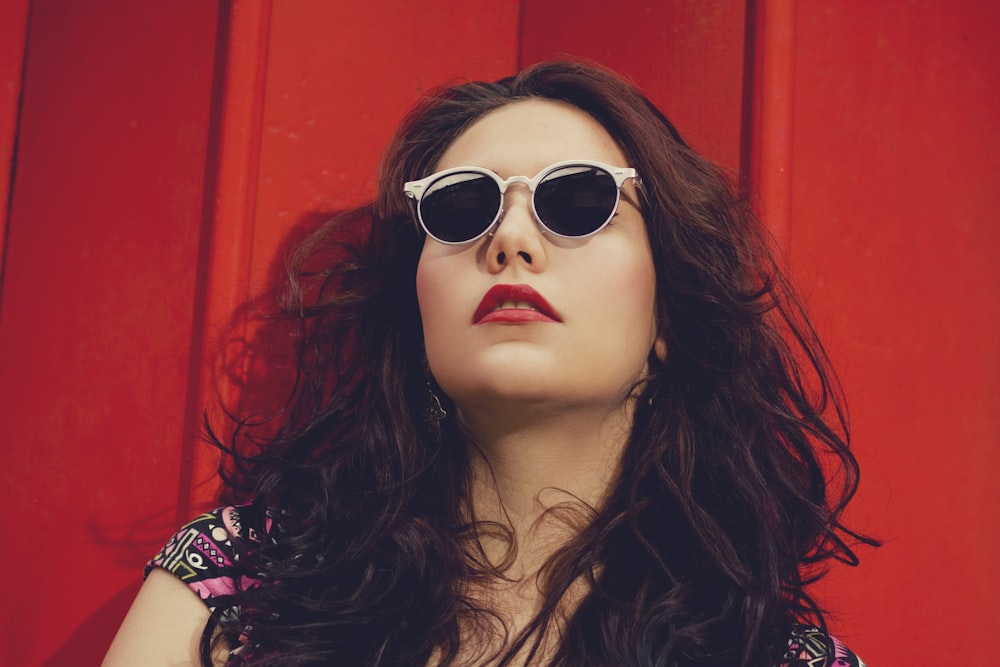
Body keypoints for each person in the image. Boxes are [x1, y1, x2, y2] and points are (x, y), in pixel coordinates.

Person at [104, 61, 874, 666]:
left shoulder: (775, 658)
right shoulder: (237, 586)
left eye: (578, 202)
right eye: (460, 206)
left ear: (667, 310)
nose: (510, 238)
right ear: (418, 303)